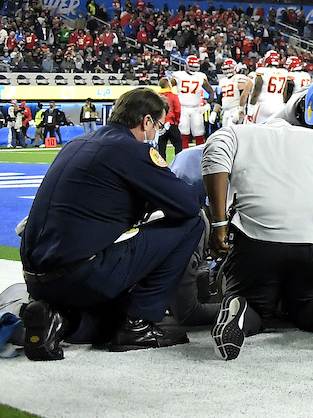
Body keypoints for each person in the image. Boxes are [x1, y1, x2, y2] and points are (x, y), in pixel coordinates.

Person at [19, 87, 204, 360]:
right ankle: (138, 325)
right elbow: (186, 204)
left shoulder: (76, 144)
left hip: (37, 279)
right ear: (146, 122)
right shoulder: (132, 150)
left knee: (106, 318)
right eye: (159, 125)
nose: (157, 133)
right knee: (192, 224)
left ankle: (58, 318)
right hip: (82, 274)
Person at [201, 98, 313, 360]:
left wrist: (220, 223)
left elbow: (213, 158)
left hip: (257, 241)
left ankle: (241, 309)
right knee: (306, 303)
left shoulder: (238, 131)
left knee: (255, 304)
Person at [171, 56, 209, 151]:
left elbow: (210, 91)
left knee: (199, 133)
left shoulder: (200, 76)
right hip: (183, 107)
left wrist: (207, 103)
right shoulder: (179, 75)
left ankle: (199, 155)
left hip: (196, 108)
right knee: (184, 132)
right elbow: (168, 85)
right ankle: (185, 155)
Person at [246, 50, 288, 124]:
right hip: (279, 105)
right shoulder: (284, 72)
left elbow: (256, 92)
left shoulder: (262, 71)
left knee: (258, 130)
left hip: (264, 105)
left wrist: (250, 111)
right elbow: (285, 92)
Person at [154, 80, 182, 159]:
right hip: (171, 122)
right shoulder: (173, 96)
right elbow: (178, 110)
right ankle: (178, 161)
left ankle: (162, 166)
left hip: (160, 124)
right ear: (169, 85)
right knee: (178, 144)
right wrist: (177, 121)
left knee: (161, 147)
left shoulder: (156, 96)